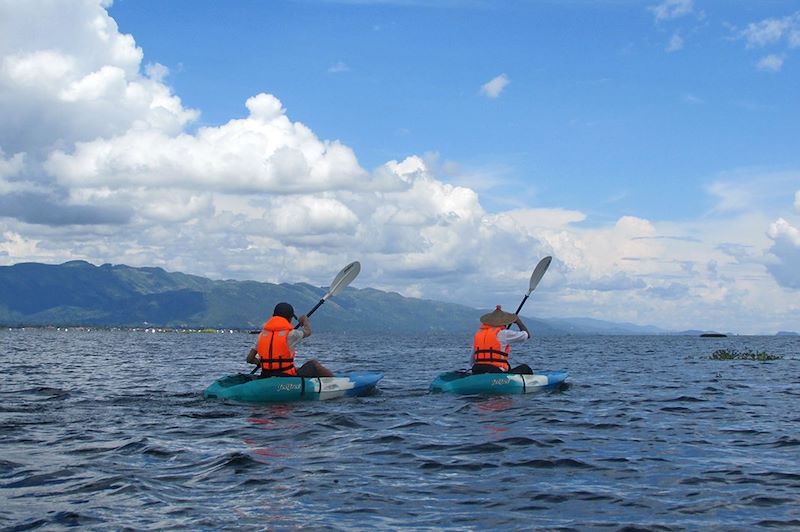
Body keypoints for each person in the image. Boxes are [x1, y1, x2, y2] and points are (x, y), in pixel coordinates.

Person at [246, 302, 334, 378]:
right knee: (314, 364)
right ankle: (335, 382)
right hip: (285, 377)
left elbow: (249, 359)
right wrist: (305, 319)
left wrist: (262, 364)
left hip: (265, 375)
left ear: (273, 316)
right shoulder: (291, 334)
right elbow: (308, 332)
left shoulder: (262, 335)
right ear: (289, 318)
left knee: (295, 368)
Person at [472, 305, 533, 375]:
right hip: (495, 372)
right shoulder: (504, 333)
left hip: (477, 370)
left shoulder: (478, 334)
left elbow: (472, 361)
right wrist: (518, 321)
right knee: (525, 368)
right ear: (503, 322)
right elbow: (527, 335)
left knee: (507, 365)